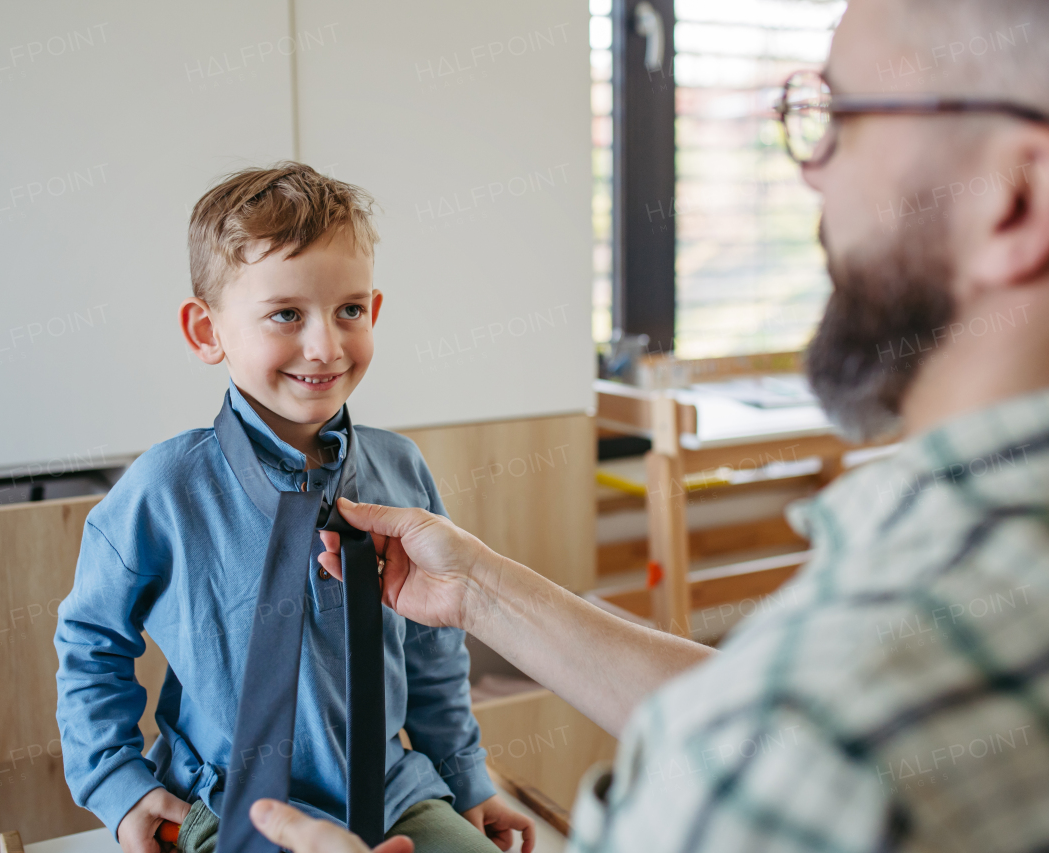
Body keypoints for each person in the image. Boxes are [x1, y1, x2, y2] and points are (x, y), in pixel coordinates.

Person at [246, 0, 1049, 849]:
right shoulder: (838, 702)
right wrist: (480, 587)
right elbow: (752, 723)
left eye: (843, 118)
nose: (809, 170)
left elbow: (783, 746)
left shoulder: (827, 744)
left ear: (1012, 196)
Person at [53, 164, 533, 853]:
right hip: (224, 802)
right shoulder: (163, 489)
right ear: (205, 330)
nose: (326, 347)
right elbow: (91, 644)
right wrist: (118, 782)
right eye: (286, 314)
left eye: (350, 310)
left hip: (393, 792)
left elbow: (433, 647)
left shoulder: (400, 469)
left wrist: (466, 774)